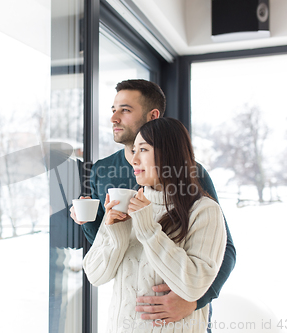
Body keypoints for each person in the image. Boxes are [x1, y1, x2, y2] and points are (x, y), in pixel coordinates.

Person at [70, 79, 236, 327]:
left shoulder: (194, 178)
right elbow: (110, 256)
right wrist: (93, 222)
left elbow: (223, 250)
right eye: (113, 109)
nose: (114, 118)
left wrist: (194, 301)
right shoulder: (102, 170)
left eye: (125, 110)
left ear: (153, 116)